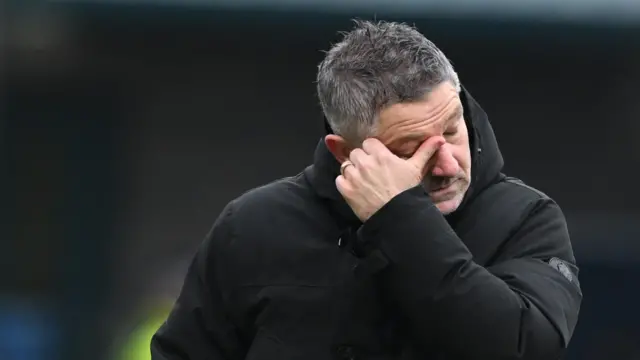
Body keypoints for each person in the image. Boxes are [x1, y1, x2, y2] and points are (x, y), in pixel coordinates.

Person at [151, 20, 582, 359]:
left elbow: (527, 346)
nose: (448, 165)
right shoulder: (253, 225)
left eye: (452, 132)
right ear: (343, 151)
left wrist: (400, 215)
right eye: (410, 150)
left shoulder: (526, 219)